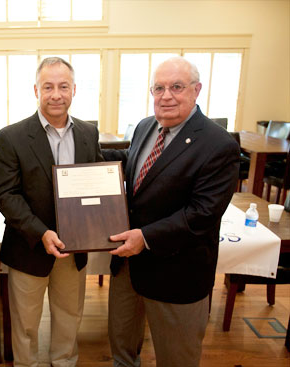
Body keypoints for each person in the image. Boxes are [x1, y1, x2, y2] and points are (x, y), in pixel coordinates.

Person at [105, 56, 240, 367]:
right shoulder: (146, 125)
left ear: (196, 90)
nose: (166, 96)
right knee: (122, 354)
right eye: (159, 88)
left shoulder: (218, 144)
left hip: (176, 274)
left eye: (176, 87)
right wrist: (83, 153)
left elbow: (202, 214)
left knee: (176, 358)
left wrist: (145, 237)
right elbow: (136, 162)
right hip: (127, 267)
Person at [0, 57, 103, 367]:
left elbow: (94, 185)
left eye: (63, 86)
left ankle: (64, 362)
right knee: (25, 324)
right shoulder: (11, 136)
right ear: (36, 90)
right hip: (29, 246)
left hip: (73, 248)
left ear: (74, 90)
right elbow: (6, 194)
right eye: (48, 87)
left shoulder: (87, 133)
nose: (56, 94)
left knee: (69, 317)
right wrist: (41, 232)